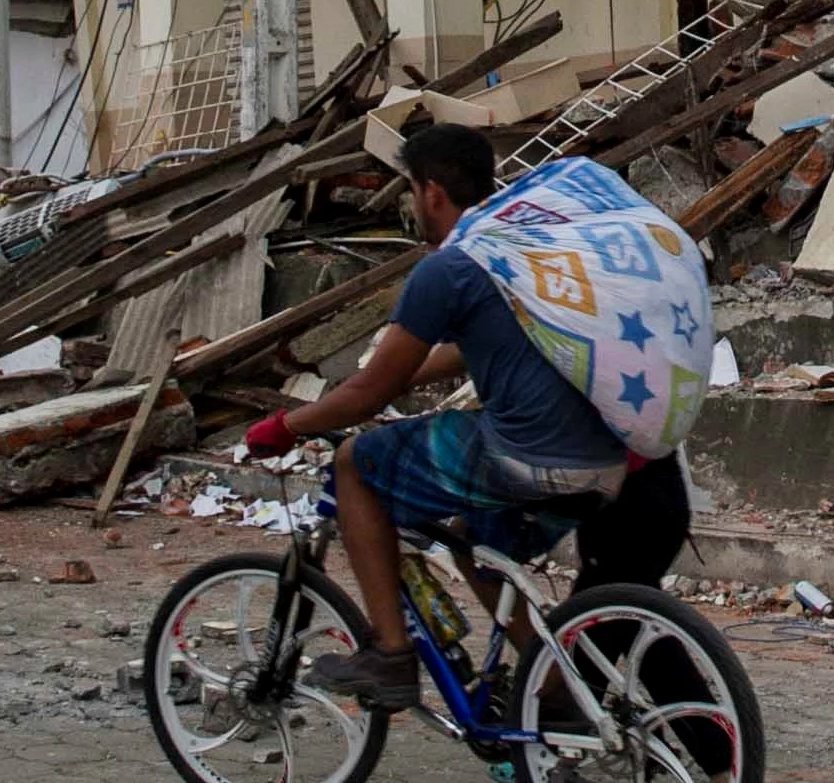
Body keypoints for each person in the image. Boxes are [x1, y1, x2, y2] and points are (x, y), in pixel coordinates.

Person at [242, 122, 630, 712]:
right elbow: (475, 344)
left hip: (526, 458)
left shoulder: (446, 267)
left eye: (408, 192)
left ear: (429, 192)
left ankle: (391, 656)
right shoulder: (517, 245)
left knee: (356, 463)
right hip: (602, 461)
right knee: (478, 543)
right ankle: (553, 692)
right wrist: (395, 376)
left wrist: (287, 425)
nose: (410, 206)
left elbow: (372, 394)